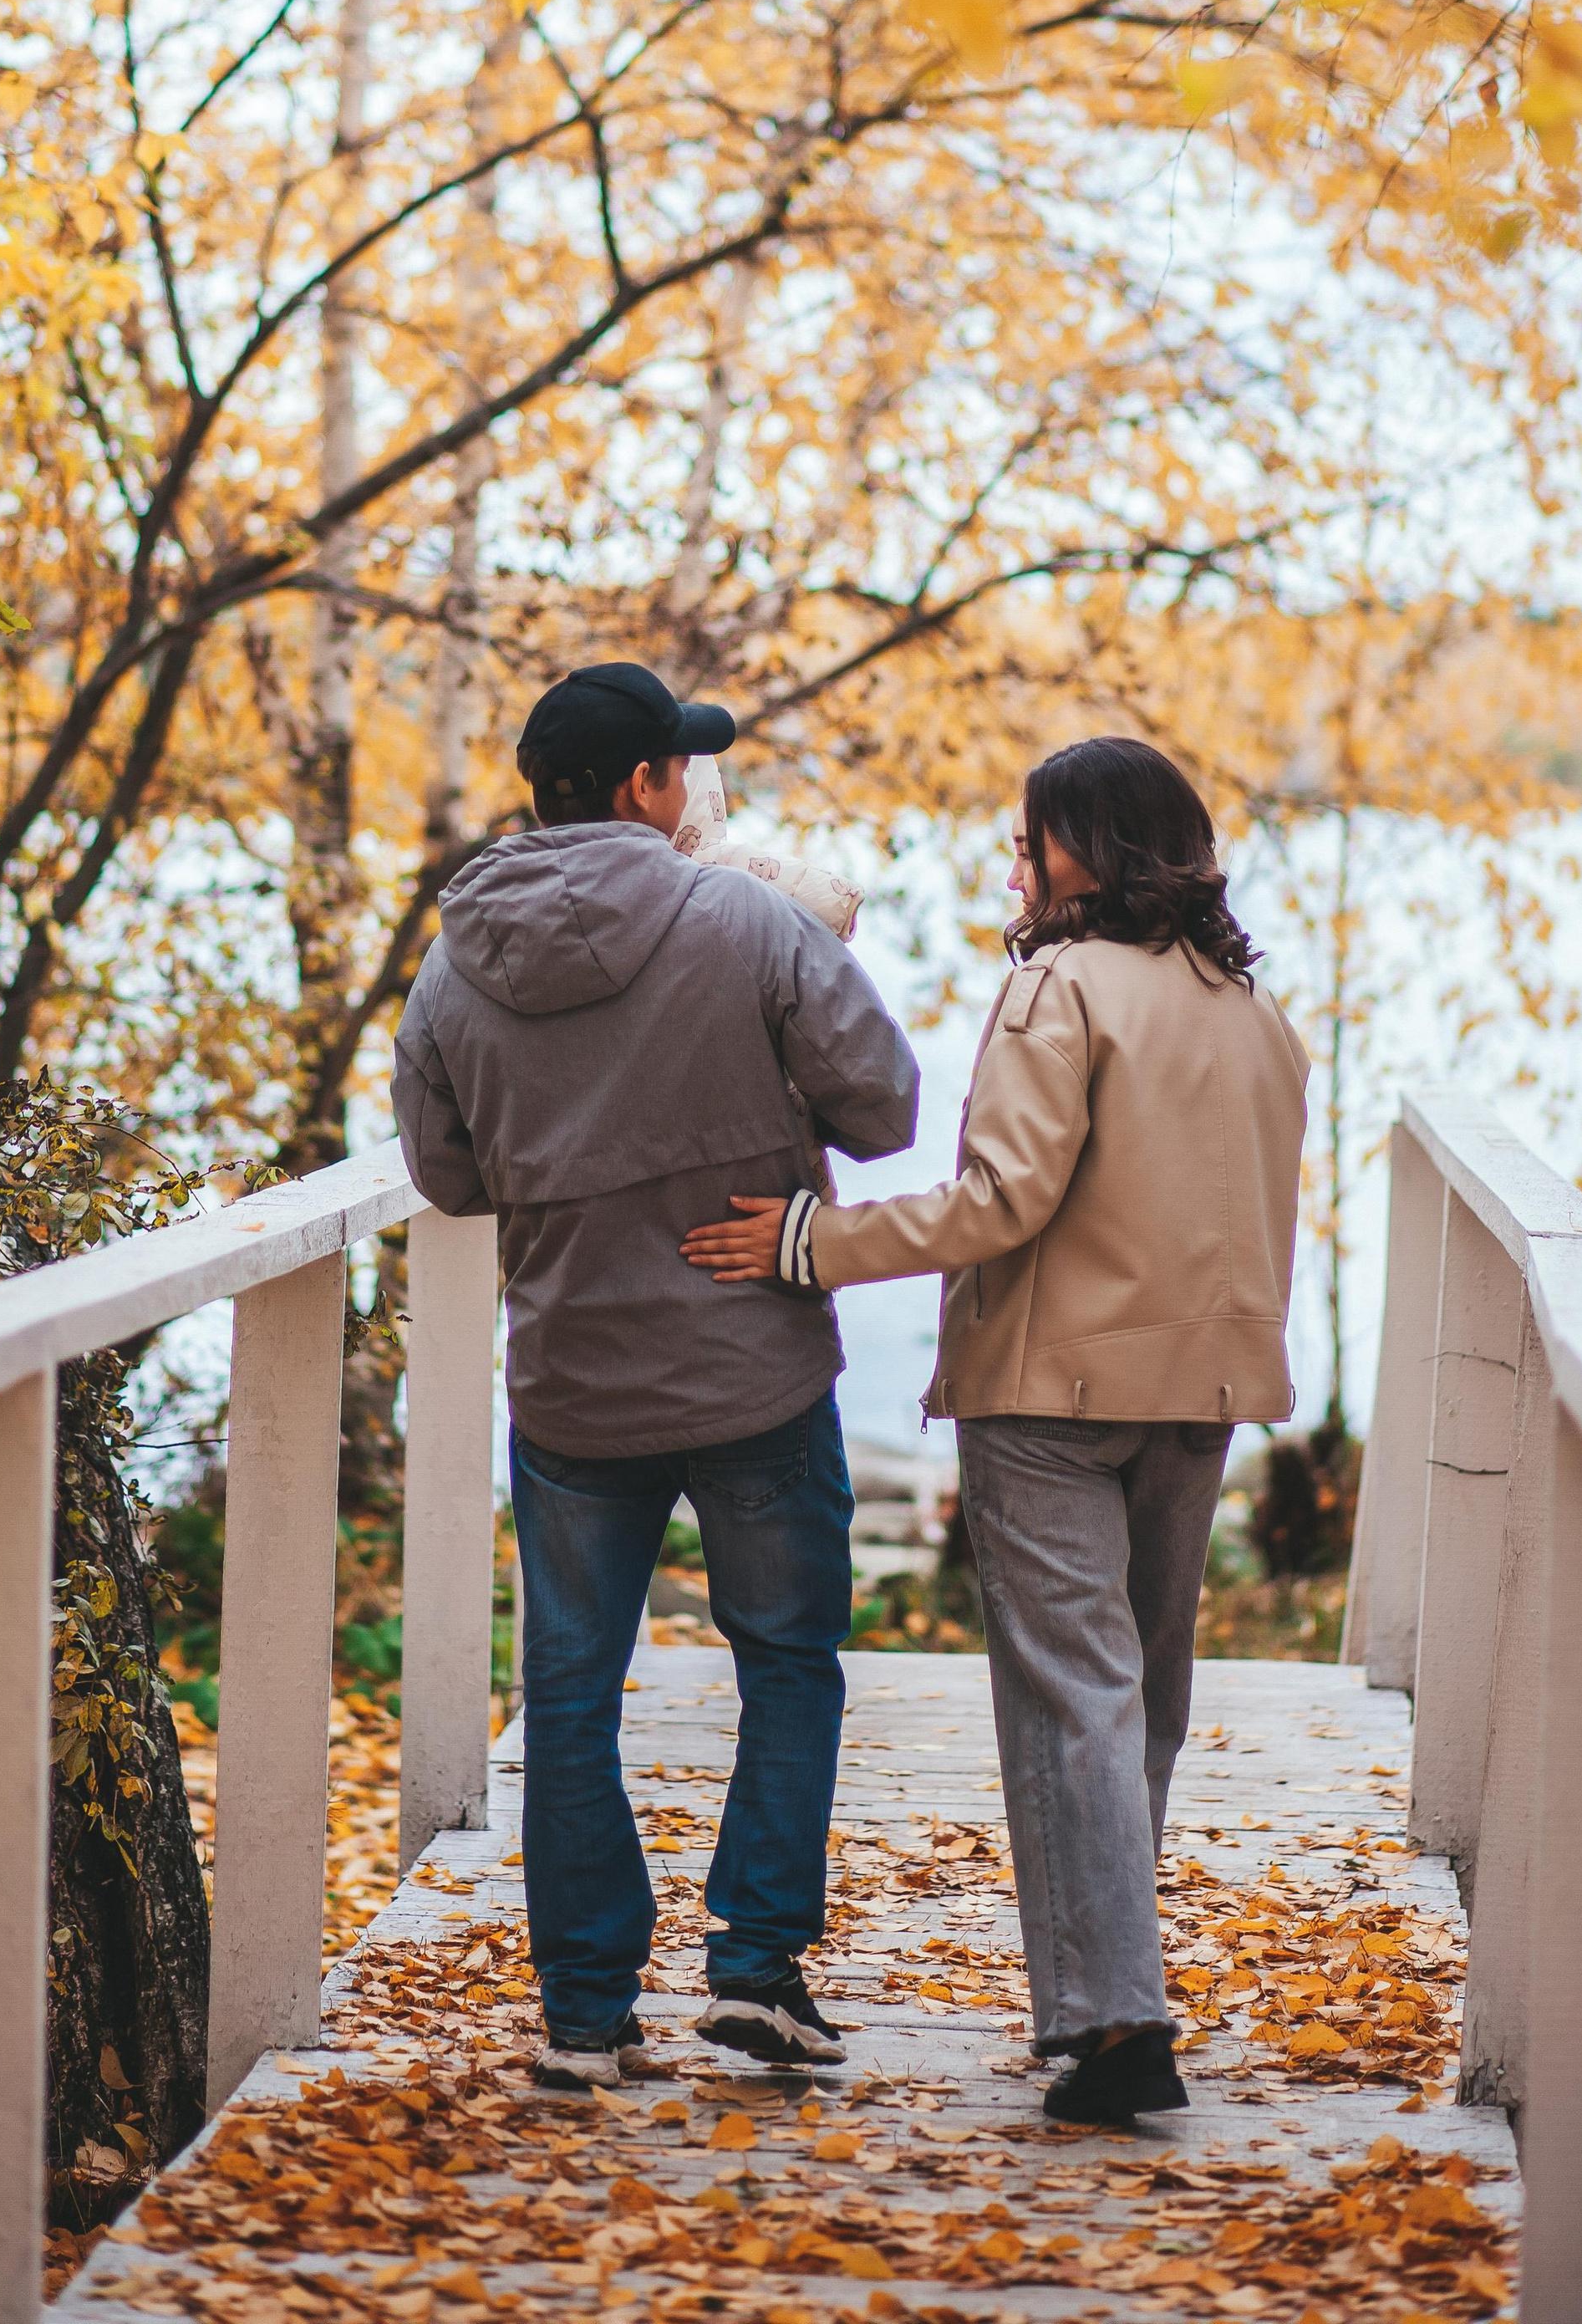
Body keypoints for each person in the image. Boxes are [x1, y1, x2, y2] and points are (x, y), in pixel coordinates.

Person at [682, 736, 1308, 2129]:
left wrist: (811, 1240)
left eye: (1032, 840)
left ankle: (1111, 2019)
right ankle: (1111, 2001)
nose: (1013, 864)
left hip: (1049, 1399)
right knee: (1138, 1695)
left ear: (1099, 847)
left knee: (1069, 1697)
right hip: (1201, 1396)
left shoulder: (1054, 987)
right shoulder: (1254, 1013)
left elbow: (999, 1201)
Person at [392, 660, 918, 2092]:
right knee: (789, 1667)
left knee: (571, 1693)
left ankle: (583, 2012)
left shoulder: (452, 965)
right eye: (680, 766)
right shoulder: (743, 918)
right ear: (643, 788)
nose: (690, 787)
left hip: (570, 1386)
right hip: (751, 1368)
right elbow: (886, 1106)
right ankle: (756, 1971)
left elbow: (444, 1175)